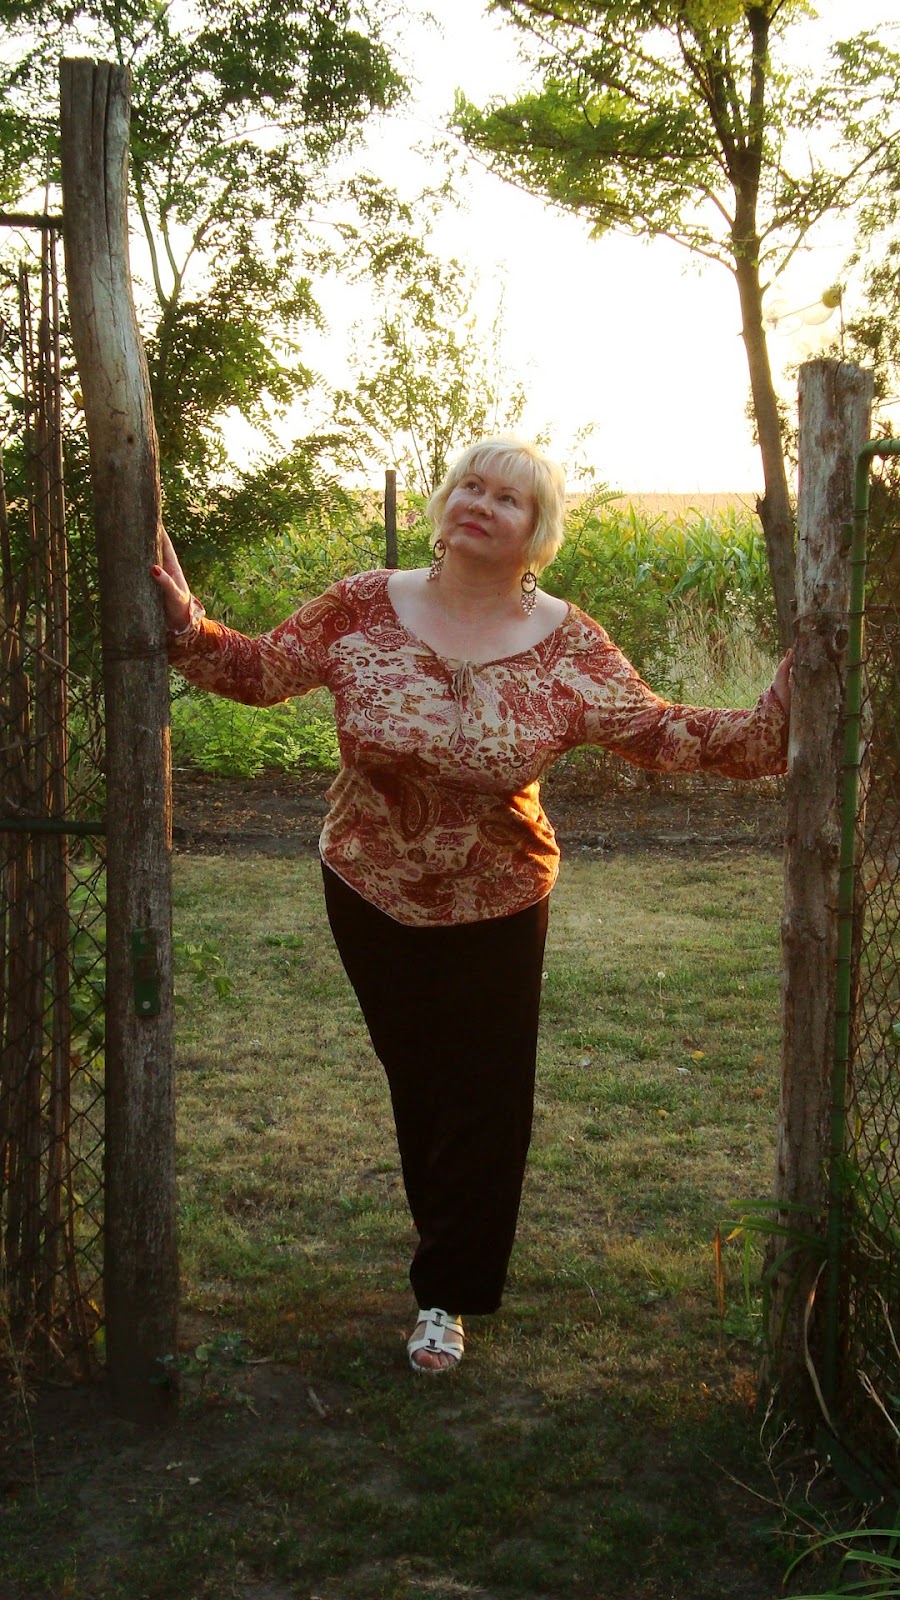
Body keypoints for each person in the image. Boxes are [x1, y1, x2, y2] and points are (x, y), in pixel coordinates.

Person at [153, 437, 792, 1375]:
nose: (481, 505)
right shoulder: (362, 604)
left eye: (508, 498)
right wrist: (188, 624)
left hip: (499, 897)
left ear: (537, 532)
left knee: (486, 1095)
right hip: (369, 884)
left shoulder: (568, 643)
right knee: (420, 1081)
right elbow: (262, 671)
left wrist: (778, 716)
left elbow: (658, 731)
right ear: (445, 504)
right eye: (470, 487)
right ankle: (445, 1251)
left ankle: (445, 1294)